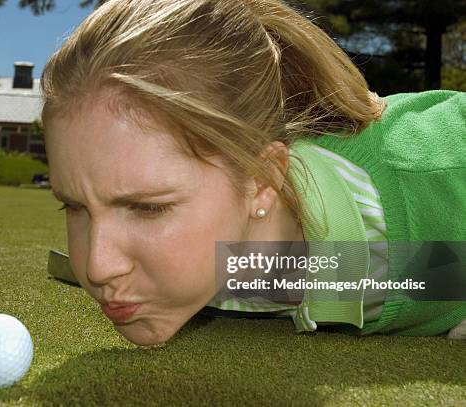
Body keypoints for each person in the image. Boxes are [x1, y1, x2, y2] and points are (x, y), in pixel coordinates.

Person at [40, 0, 466, 346]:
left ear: (261, 181)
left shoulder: (429, 193)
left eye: (147, 208)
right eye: (74, 206)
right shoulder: (219, 259)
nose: (97, 267)